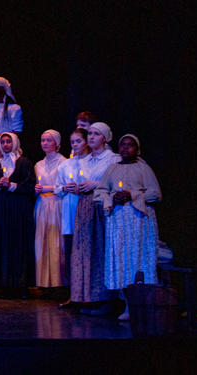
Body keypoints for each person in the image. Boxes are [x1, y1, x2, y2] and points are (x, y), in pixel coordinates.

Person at [95, 134, 161, 321]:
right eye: (122, 145)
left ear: (137, 149)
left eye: (130, 145)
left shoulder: (143, 168)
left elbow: (155, 194)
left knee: (139, 259)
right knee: (122, 260)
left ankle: (143, 303)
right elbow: (100, 192)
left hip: (139, 221)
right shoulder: (112, 168)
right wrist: (112, 198)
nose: (125, 148)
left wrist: (132, 195)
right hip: (118, 221)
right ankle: (127, 305)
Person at [70, 122, 121, 315]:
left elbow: (118, 183)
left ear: (105, 138)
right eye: (89, 134)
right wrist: (76, 187)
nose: (91, 137)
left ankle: (105, 299)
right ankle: (86, 297)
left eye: (96, 134)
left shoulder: (112, 159)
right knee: (84, 251)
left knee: (100, 250)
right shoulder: (84, 160)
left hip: (102, 206)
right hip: (84, 206)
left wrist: (96, 184)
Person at [0, 132, 36, 297]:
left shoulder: (24, 163)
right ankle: (3, 284)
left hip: (19, 209)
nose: (6, 145)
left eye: (8, 141)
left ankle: (20, 284)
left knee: (18, 244)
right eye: (3, 142)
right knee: (2, 243)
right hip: (1, 210)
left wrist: (13, 185)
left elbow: (30, 186)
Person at [54, 128, 90, 308]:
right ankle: (73, 295)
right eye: (73, 142)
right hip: (70, 212)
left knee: (87, 254)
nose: (75, 145)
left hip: (88, 212)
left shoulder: (93, 162)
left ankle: (89, 295)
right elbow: (56, 189)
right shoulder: (65, 165)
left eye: (78, 141)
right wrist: (63, 189)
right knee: (70, 254)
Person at [34, 130, 68, 289]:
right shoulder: (38, 165)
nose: (45, 143)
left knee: (55, 242)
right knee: (42, 241)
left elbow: (65, 186)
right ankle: (43, 282)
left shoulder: (63, 162)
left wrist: (47, 187)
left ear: (56, 143)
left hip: (56, 203)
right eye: (42, 140)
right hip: (42, 203)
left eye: (48, 140)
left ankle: (59, 282)